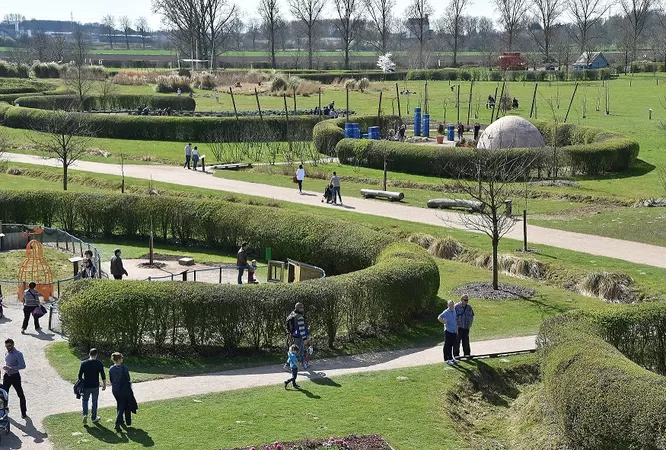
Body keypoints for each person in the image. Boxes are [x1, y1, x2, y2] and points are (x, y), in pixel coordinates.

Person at [109, 352, 136, 433]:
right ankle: (117, 423)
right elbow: (128, 379)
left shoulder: (111, 368)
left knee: (119, 404)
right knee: (122, 406)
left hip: (115, 390)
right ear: (119, 359)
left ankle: (120, 421)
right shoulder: (124, 368)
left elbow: (111, 380)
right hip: (123, 390)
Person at [79, 348, 106, 425]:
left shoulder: (84, 363)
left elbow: (80, 376)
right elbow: (103, 375)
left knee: (85, 401)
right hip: (95, 386)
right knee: (94, 402)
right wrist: (104, 384)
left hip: (86, 385)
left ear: (89, 354)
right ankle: (94, 417)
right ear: (96, 355)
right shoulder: (99, 363)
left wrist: (82, 382)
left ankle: (85, 414)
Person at [3, 339, 27, 418]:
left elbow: (23, 365)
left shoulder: (18, 354)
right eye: (6, 346)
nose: (8, 348)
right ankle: (3, 411)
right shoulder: (6, 353)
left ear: (13, 344)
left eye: (9, 346)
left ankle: (23, 412)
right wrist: (7, 368)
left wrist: (11, 368)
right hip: (7, 376)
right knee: (3, 395)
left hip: (15, 376)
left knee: (20, 394)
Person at [286, 302, 310, 369]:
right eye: (302, 307)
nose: (303, 309)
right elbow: (302, 329)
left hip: (293, 336)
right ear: (298, 308)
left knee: (301, 351)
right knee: (295, 353)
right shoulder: (299, 317)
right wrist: (305, 339)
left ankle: (304, 364)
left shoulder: (292, 314)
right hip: (299, 337)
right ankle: (287, 365)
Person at [454, 295, 475, 359]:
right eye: (465, 300)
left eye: (467, 300)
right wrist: (455, 325)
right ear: (461, 300)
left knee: (466, 341)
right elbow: (453, 316)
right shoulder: (456, 307)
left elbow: (471, 316)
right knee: (457, 341)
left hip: (466, 327)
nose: (466, 301)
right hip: (459, 327)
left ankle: (467, 354)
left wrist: (470, 324)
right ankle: (456, 354)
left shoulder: (469, 307)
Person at [438, 301, 458, 365]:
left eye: (452, 305)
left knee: (452, 345)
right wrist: (445, 323)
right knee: (447, 345)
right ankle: (446, 359)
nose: (451, 306)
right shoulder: (446, 312)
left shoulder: (454, 311)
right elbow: (439, 317)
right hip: (448, 331)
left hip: (454, 331)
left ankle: (451, 358)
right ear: (448, 305)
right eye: (450, 305)